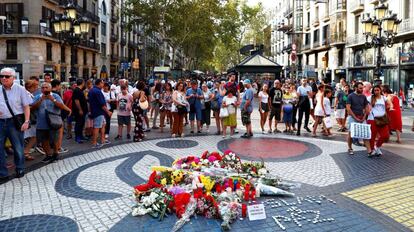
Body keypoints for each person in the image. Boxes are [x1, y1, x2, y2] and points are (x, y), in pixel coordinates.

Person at [0, 68, 31, 180]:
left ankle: (20, 167)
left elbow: (26, 106)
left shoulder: (20, 89)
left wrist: (26, 121)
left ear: (13, 78)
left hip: (14, 122)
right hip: (0, 122)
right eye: (2, 76)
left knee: (18, 147)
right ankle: (2, 173)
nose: (3, 78)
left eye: (7, 76)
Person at [31, 82, 67, 163]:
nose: (44, 89)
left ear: (50, 88)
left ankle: (56, 154)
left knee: (54, 139)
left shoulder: (55, 96)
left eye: (46, 87)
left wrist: (53, 100)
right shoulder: (37, 97)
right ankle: (48, 155)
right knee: (44, 140)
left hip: (53, 122)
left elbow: (61, 106)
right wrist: (40, 100)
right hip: (41, 122)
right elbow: (31, 108)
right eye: (43, 88)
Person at [346, 82, 372, 156]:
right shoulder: (350, 96)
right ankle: (350, 148)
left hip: (361, 117)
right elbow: (348, 108)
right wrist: (355, 118)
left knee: (365, 133)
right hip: (353, 117)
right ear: (355, 88)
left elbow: (366, 106)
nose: (362, 89)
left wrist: (364, 117)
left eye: (362, 88)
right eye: (360, 88)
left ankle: (369, 151)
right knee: (351, 133)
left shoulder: (363, 96)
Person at [88, 79, 112, 148]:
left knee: (103, 124)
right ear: (99, 83)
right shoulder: (98, 92)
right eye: (102, 83)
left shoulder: (91, 90)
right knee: (97, 127)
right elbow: (102, 104)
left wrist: (90, 110)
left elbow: (89, 102)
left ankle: (103, 139)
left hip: (95, 111)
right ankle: (94, 143)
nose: (103, 85)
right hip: (99, 111)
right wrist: (108, 111)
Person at [367, 85, 390, 157]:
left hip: (382, 119)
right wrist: (367, 111)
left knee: (385, 135)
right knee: (372, 136)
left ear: (380, 90)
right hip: (372, 119)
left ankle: (377, 146)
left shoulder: (383, 97)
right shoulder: (370, 97)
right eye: (375, 90)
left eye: (378, 90)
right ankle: (372, 149)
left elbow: (389, 102)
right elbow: (365, 104)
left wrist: (390, 106)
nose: (376, 91)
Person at [51, 79, 71, 154]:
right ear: (57, 85)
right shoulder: (56, 94)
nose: (60, 87)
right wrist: (68, 110)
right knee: (59, 132)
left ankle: (54, 147)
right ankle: (58, 147)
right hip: (58, 115)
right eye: (59, 85)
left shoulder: (49, 93)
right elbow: (61, 104)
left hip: (50, 115)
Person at [23, 80, 38, 161]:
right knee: (34, 135)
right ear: (30, 87)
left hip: (29, 119)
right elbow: (28, 107)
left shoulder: (28, 94)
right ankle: (25, 152)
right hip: (29, 119)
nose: (36, 88)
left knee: (32, 135)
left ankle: (26, 151)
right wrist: (37, 104)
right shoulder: (27, 94)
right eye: (35, 87)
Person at [72, 79, 88, 144]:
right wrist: (80, 109)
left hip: (83, 110)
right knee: (78, 123)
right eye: (84, 83)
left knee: (81, 123)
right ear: (82, 83)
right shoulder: (77, 90)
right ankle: (77, 137)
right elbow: (76, 100)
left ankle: (81, 136)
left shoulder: (80, 90)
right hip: (79, 111)